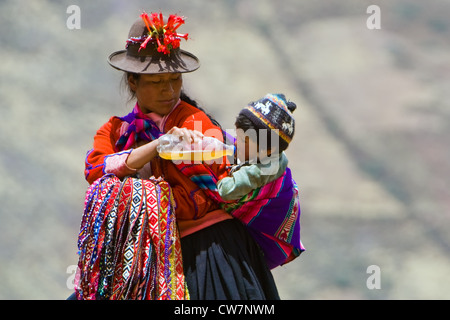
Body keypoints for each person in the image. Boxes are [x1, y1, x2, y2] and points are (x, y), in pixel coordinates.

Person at [70, 12, 280, 300]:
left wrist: (140, 201)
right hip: (149, 262)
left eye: (175, 80)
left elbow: (201, 198)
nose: (169, 90)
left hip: (210, 252)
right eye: (157, 82)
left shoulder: (195, 124)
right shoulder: (116, 131)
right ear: (133, 81)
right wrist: (156, 148)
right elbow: (96, 171)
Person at [217, 93, 297, 201]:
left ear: (268, 150)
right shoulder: (274, 155)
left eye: (244, 141)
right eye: (238, 136)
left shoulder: (258, 171)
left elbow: (224, 191)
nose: (236, 143)